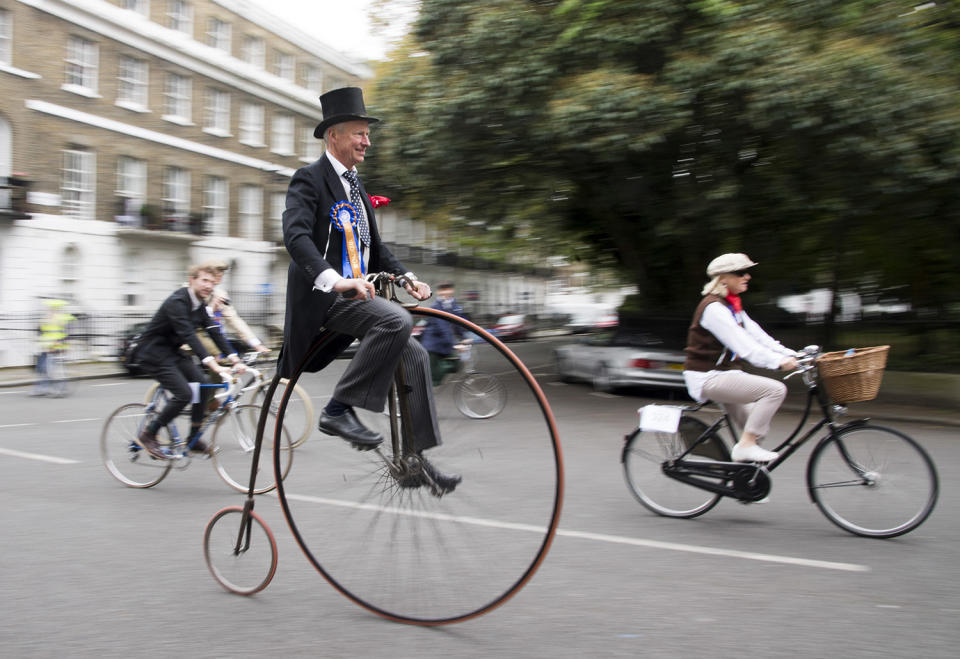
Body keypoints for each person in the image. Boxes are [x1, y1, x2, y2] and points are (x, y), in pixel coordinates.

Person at [279, 86, 460, 492]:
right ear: (334, 136)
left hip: (358, 298)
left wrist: (404, 276)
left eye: (367, 133)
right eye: (359, 132)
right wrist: (335, 279)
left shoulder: (356, 187)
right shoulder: (309, 180)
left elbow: (375, 251)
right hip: (324, 299)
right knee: (396, 321)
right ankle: (338, 409)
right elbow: (296, 237)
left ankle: (414, 458)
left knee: (413, 351)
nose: (367, 141)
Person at [683, 253, 799, 463]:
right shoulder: (713, 308)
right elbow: (745, 347)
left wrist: (793, 355)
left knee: (757, 428)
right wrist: (777, 362)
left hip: (725, 374)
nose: (747, 276)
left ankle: (745, 483)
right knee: (774, 390)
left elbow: (759, 337)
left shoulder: (732, 306)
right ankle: (745, 447)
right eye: (740, 273)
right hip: (707, 377)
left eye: (747, 272)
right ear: (723, 278)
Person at [133, 263, 246, 459]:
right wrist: (215, 365)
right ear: (192, 280)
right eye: (204, 280)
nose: (208, 286)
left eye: (212, 282)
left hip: (172, 352)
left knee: (203, 384)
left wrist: (235, 359)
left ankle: (193, 437)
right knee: (184, 394)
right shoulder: (177, 302)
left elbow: (214, 332)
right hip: (153, 353)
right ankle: (148, 434)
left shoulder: (199, 306)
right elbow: (189, 336)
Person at [198, 259, 271, 355]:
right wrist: (212, 308)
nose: (218, 279)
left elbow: (234, 319)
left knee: (234, 355)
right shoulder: (192, 291)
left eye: (220, 275)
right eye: (216, 275)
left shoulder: (219, 294)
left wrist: (256, 344)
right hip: (197, 341)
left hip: (217, 339)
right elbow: (194, 322)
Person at [420, 283, 467, 386]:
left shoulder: (454, 305)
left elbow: (458, 323)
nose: (445, 292)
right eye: (442, 290)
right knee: (434, 379)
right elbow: (443, 328)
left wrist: (464, 338)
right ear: (438, 292)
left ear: (452, 290)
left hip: (445, 343)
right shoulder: (435, 306)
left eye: (448, 289)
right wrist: (455, 344)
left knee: (456, 364)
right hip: (432, 344)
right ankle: (423, 393)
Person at [32, 298, 75, 397]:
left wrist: (63, 346)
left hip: (57, 348)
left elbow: (66, 334)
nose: (49, 310)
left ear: (58, 309)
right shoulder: (46, 319)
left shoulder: (63, 319)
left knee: (57, 371)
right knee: (43, 368)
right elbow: (41, 331)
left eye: (52, 309)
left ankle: (61, 390)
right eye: (49, 309)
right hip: (45, 347)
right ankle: (42, 388)